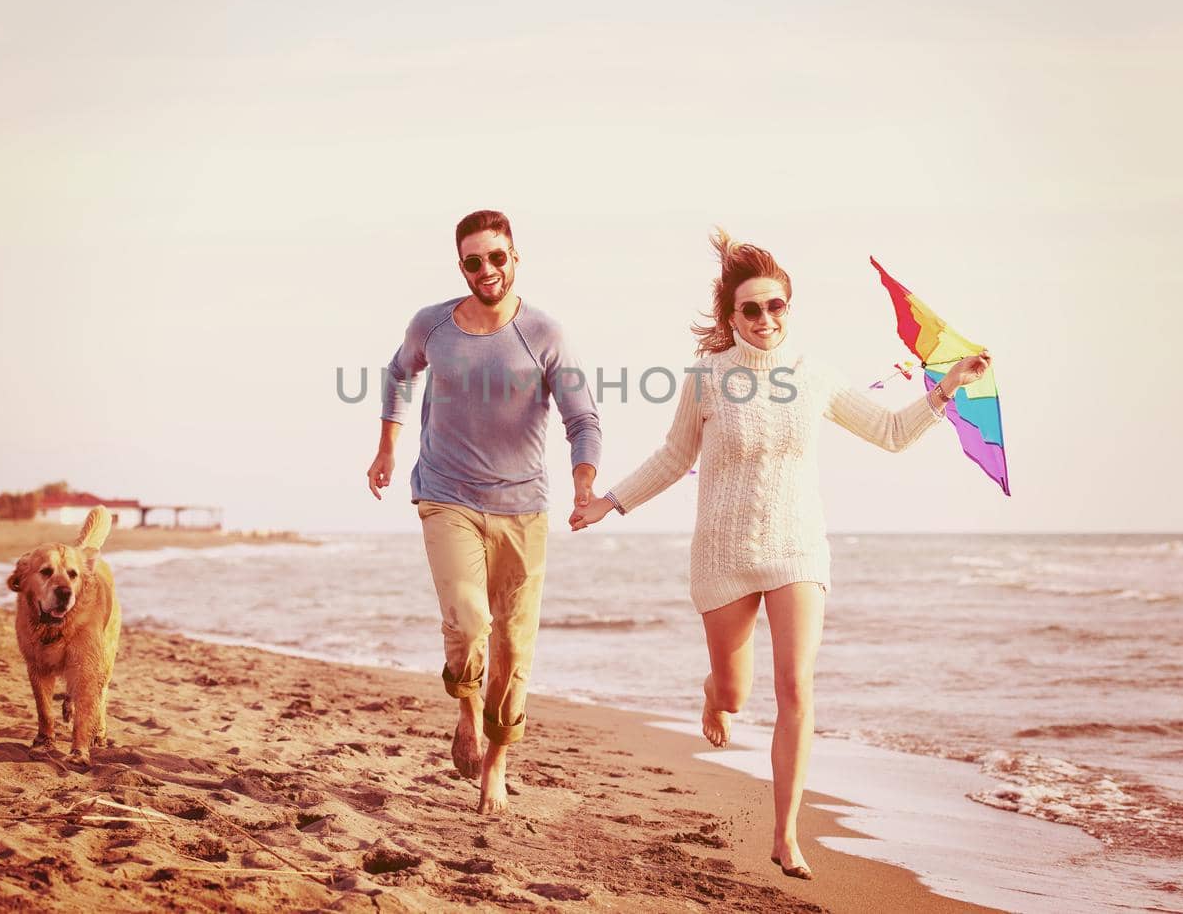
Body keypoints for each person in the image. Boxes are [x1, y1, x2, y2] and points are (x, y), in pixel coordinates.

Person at [569, 230, 990, 879]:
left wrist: (949, 388)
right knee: (737, 694)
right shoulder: (708, 377)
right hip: (723, 553)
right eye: (752, 310)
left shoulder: (814, 375)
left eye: (777, 307)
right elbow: (676, 456)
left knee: (797, 686)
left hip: (797, 549)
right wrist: (610, 501)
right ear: (730, 316)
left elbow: (889, 432)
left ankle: (786, 834)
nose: (766, 320)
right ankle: (714, 693)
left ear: (790, 308)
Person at [369, 209, 602, 815]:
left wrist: (584, 484)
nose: (487, 270)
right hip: (446, 494)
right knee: (470, 622)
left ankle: (496, 764)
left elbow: (583, 419)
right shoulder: (433, 325)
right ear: (462, 267)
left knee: (514, 648)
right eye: (474, 261)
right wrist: (387, 449)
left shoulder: (545, 333)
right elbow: (398, 375)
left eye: (497, 257)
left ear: (515, 258)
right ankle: (467, 708)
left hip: (523, 508)